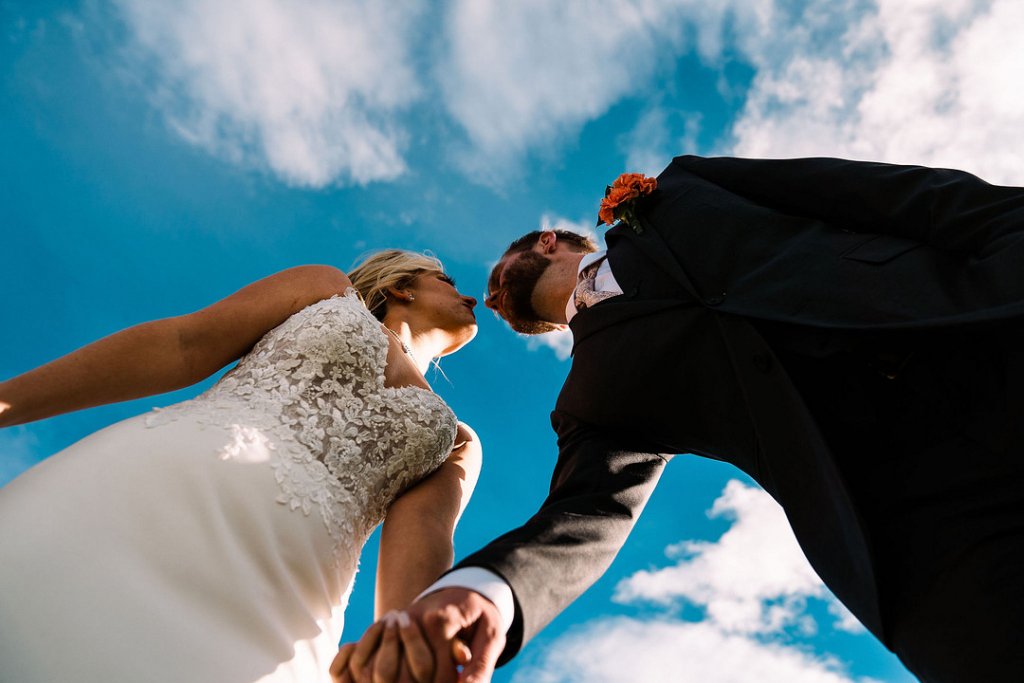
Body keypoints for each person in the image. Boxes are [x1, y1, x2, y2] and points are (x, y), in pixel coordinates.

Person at [340, 156, 1024, 683]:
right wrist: (487, 596)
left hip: (987, 333)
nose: (489, 294)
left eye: (497, 274)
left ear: (546, 242)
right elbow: (582, 516)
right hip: (928, 535)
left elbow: (882, 196)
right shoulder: (590, 399)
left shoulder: (684, 189)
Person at [0, 249, 483, 682]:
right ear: (402, 286)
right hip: (155, 486)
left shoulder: (456, 440)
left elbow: (425, 538)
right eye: (449, 282)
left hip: (290, 597)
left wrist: (404, 650)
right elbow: (185, 343)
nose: (472, 299)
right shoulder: (326, 289)